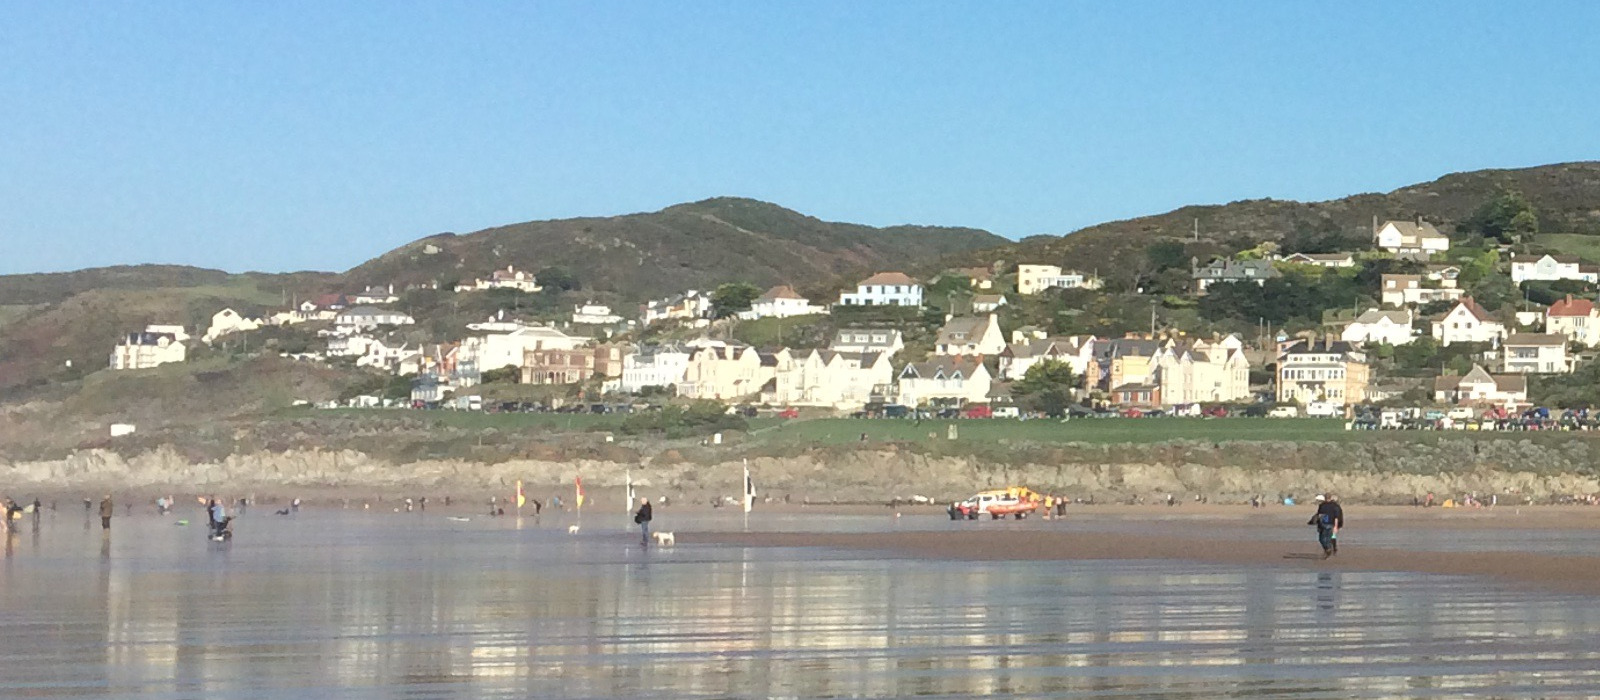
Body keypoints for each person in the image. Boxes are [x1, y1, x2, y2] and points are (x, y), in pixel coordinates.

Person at [1308, 494, 1344, 559]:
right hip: (1328, 524)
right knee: (1329, 537)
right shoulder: (1331, 506)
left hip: (1329, 524)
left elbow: (1337, 517)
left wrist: (1336, 526)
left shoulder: (1332, 506)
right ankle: (1330, 549)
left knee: (1328, 538)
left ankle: (1330, 549)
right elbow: (1320, 515)